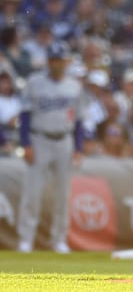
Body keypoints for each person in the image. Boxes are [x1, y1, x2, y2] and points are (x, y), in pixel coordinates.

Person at [16, 41, 84, 253]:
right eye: (53, 60)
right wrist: (25, 143)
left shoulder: (74, 86)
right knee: (32, 192)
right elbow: (25, 116)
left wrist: (78, 148)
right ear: (48, 61)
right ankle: (26, 239)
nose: (57, 64)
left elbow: (79, 121)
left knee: (63, 194)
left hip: (64, 140)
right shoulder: (35, 82)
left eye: (60, 60)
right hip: (40, 139)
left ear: (66, 62)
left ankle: (59, 239)